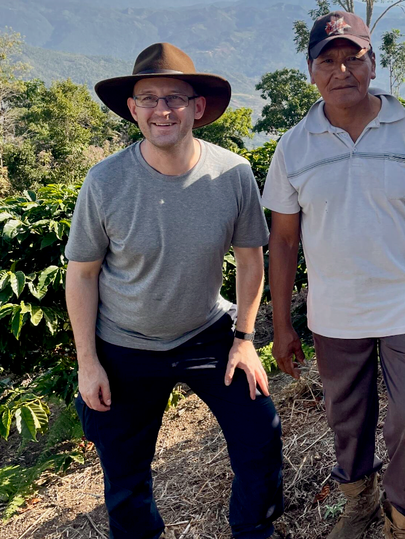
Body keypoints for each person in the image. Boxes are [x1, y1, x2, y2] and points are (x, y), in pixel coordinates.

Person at [65, 42, 284, 539]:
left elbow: (251, 259)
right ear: (132, 109)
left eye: (175, 98)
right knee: (125, 477)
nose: (163, 110)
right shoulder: (105, 182)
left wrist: (245, 340)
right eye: (150, 98)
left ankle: (254, 531)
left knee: (260, 437)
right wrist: (88, 362)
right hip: (124, 343)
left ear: (198, 107)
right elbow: (80, 275)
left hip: (208, 333)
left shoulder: (232, 174)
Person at [262, 11, 405, 539]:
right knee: (347, 421)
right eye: (328, 60)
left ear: (373, 64)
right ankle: (360, 500)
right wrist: (282, 325)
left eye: (354, 57)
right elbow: (281, 242)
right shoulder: (294, 147)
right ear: (310, 71)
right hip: (335, 314)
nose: (342, 69)